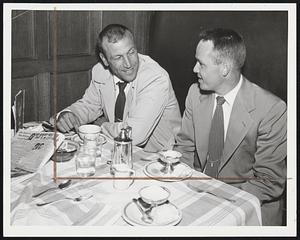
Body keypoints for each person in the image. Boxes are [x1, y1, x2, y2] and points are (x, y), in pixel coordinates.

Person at [174, 28, 287, 226]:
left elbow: (269, 181)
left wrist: (215, 199)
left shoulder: (271, 109)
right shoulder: (195, 93)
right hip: (198, 193)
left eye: (201, 64)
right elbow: (184, 147)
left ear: (224, 69)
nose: (194, 69)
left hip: (247, 206)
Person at [50, 24, 181, 152]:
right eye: (118, 57)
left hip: (159, 156)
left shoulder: (155, 77)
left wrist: (100, 126)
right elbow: (89, 105)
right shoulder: (100, 71)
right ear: (105, 59)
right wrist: (70, 115)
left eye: (131, 52)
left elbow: (134, 135)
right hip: (117, 148)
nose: (128, 64)